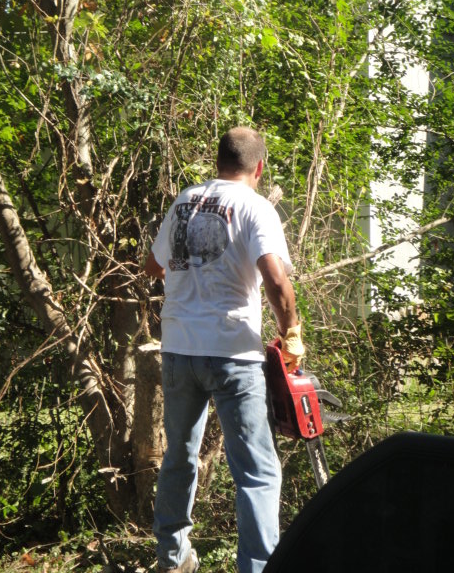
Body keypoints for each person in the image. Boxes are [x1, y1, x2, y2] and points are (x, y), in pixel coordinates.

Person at [144, 126, 304, 573]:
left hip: (179, 349)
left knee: (179, 457)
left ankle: (172, 559)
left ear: (217, 162)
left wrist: (192, 274)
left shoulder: (184, 201)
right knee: (256, 470)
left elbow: (153, 265)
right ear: (259, 167)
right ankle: (258, 567)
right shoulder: (255, 207)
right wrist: (291, 332)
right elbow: (275, 280)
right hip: (233, 352)